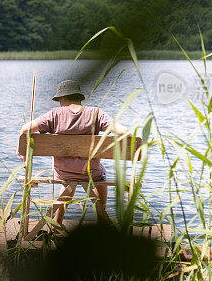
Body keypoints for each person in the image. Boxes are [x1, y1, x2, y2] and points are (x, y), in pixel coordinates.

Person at [18, 79, 129, 224]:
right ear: (78, 97)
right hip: (91, 173)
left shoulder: (54, 114)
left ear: (63, 98)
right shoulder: (96, 113)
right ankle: (102, 217)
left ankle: (56, 222)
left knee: (68, 178)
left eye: (59, 100)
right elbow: (125, 132)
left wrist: (21, 150)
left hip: (63, 172)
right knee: (101, 173)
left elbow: (25, 129)